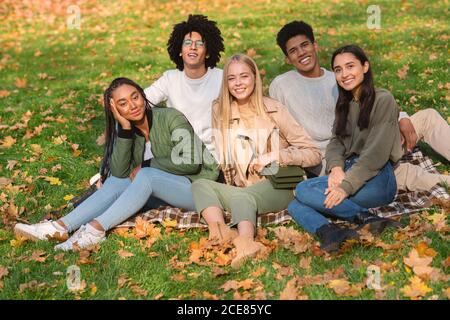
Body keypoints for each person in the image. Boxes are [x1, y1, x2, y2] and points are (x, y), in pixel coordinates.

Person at [14, 77, 219, 251]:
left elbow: (191, 162)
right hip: (166, 194)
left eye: (135, 97)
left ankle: (96, 230)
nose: (132, 106)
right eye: (122, 103)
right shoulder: (132, 132)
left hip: (200, 191)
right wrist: (125, 129)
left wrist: (148, 165)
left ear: (143, 95)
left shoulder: (171, 117)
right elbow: (120, 173)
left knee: (145, 174)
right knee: (117, 180)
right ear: (116, 110)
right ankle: (59, 227)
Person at [269, 20, 450, 191]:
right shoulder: (281, 85)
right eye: (293, 50)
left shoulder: (339, 77)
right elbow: (278, 127)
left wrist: (402, 117)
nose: (301, 53)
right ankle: (441, 182)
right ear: (287, 58)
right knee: (401, 172)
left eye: (305, 45)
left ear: (315, 45)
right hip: (331, 159)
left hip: (366, 138)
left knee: (428, 117)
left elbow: (374, 100)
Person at [191, 54, 322, 268]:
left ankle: (247, 244)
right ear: (226, 83)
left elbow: (313, 153)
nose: (238, 83)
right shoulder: (220, 110)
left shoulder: (274, 109)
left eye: (244, 76)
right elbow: (225, 159)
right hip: (244, 188)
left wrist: (276, 155)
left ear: (255, 78)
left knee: (242, 198)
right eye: (232, 78)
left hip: (279, 185)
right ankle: (220, 233)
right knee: (200, 185)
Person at [288, 45, 403, 253]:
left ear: (365, 67)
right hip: (349, 172)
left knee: (304, 190)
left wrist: (344, 187)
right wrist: (336, 168)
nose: (344, 74)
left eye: (350, 66)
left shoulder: (383, 99)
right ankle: (331, 232)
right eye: (338, 69)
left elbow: (375, 156)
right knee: (294, 204)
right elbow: (335, 142)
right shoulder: (345, 102)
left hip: (377, 179)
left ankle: (365, 218)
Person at [144, 14, 225, 158]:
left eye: (200, 44)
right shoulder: (170, 78)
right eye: (187, 42)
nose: (193, 47)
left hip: (212, 151)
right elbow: (141, 102)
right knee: (143, 150)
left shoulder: (221, 78)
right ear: (180, 51)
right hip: (176, 148)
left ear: (207, 53)